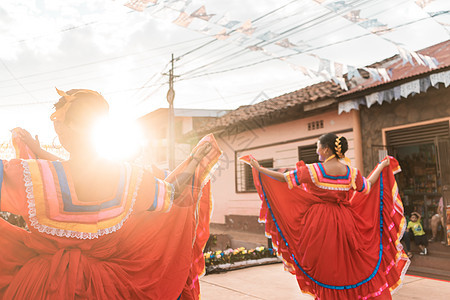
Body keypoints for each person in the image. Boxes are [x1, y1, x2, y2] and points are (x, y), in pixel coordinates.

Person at [0, 88, 222, 299]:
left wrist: (36, 151)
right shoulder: (130, 179)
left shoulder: (32, 176)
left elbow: (65, 170)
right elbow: (172, 194)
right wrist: (194, 162)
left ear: (67, 128)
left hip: (41, 284)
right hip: (107, 286)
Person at [242, 133, 409, 299]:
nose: (317, 152)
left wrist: (259, 168)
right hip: (345, 222)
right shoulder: (351, 172)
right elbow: (368, 186)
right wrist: (381, 166)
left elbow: (284, 179)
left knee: (326, 268)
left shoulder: (313, 170)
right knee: (347, 265)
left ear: (327, 149)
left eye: (318, 148)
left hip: (319, 224)